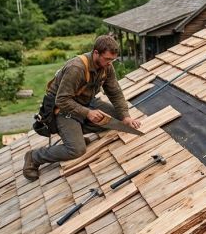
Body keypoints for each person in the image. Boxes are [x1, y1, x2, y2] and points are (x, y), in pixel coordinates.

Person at [23, 35, 141, 180]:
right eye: (107, 59)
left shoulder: (107, 67)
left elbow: (115, 92)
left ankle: (75, 134)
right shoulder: (76, 68)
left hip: (86, 103)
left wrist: (125, 116)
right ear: (96, 53)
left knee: (117, 120)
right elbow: (62, 100)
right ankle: (34, 157)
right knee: (76, 150)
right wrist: (88, 113)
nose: (110, 63)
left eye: (113, 60)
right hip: (64, 110)